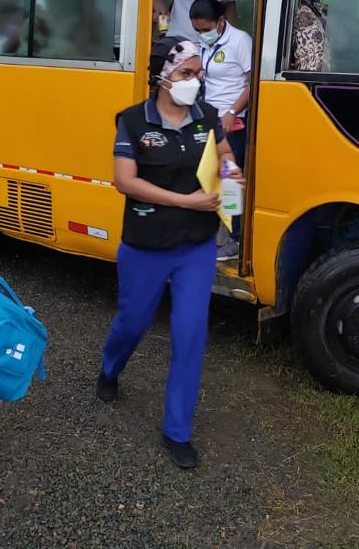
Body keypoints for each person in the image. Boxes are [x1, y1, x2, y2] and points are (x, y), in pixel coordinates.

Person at [96, 38, 244, 469]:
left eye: (199, 74)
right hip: (146, 246)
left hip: (196, 247)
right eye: (185, 73)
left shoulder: (207, 117)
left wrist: (232, 174)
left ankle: (176, 430)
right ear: (162, 75)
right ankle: (110, 369)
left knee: (190, 334)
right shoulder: (133, 122)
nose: (194, 82)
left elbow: (223, 154)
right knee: (133, 322)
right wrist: (185, 202)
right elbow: (125, 181)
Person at [189, 0, 252, 261]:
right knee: (206, 177)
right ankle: (212, 233)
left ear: (221, 21)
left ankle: (235, 241)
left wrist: (232, 112)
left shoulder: (240, 41)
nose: (202, 35)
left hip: (231, 122)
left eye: (206, 29)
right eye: (198, 31)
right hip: (206, 118)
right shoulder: (202, 44)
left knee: (230, 182)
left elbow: (252, 84)